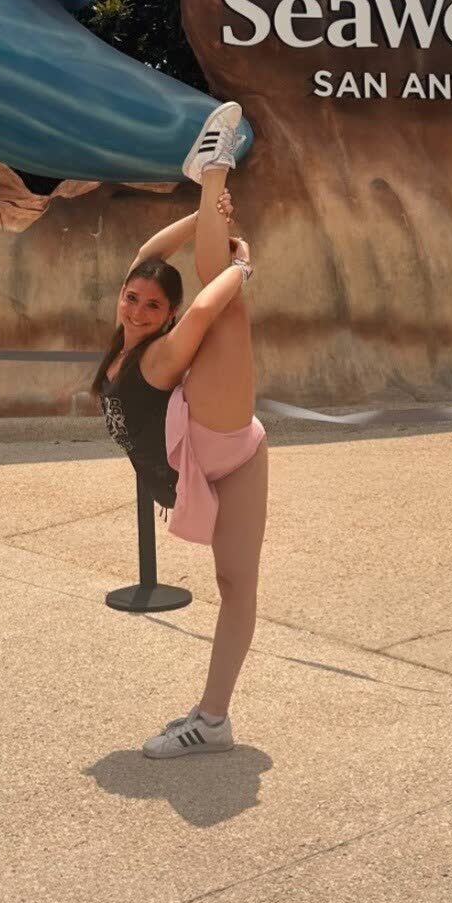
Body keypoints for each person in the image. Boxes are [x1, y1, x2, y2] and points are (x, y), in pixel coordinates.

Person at [93, 102, 268, 758]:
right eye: (131, 299)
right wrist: (204, 215)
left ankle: (211, 718)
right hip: (198, 458)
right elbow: (146, 256)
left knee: (226, 310)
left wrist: (241, 267)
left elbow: (200, 310)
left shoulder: (161, 353)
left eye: (151, 305)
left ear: (164, 315)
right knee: (231, 586)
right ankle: (210, 177)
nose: (138, 309)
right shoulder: (124, 342)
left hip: (223, 442)